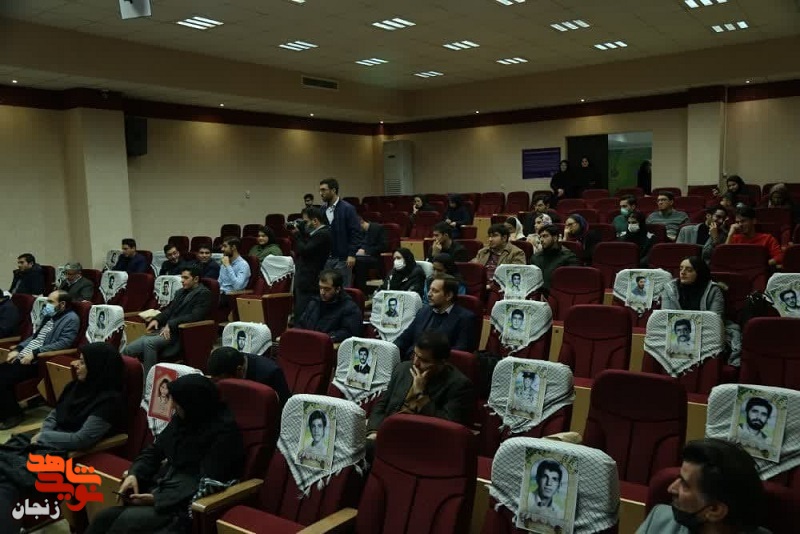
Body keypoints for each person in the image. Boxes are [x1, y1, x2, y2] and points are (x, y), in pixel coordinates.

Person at [86, 374, 244, 534]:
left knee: (114, 524)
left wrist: (158, 499)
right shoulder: (185, 419)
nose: (173, 407)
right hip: (164, 489)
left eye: (177, 403)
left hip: (184, 507)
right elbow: (155, 450)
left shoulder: (224, 434)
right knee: (104, 520)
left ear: (193, 403)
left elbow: (207, 482)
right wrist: (134, 473)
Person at [0, 343, 124, 534]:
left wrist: (45, 437)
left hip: (66, 455)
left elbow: (82, 439)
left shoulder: (110, 401)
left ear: (97, 367)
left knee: (8, 481)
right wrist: (44, 434)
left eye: (82, 362)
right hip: (45, 443)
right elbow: (54, 415)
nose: (75, 365)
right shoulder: (76, 386)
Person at [636, 438, 768, 534]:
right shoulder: (659, 521)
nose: (671, 488)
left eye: (684, 484)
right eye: (678, 478)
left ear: (715, 510)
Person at [367, 330, 475, 438]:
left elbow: (447, 425)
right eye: (415, 355)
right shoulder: (403, 369)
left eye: (424, 360)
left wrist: (421, 394)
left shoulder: (459, 385)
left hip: (422, 438)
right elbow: (382, 404)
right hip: (388, 430)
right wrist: (374, 431)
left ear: (442, 363)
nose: (415, 363)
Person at [0, 290, 79, 430]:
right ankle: (6, 410)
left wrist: (35, 353)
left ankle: (14, 415)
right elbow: (35, 337)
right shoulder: (49, 316)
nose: (47, 304)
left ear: (62, 304)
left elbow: (64, 343)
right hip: (24, 355)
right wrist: (18, 349)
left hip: (39, 360)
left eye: (51, 302)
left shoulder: (71, 319)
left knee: (3, 379)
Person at [124, 266, 212, 377]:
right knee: (128, 350)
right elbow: (169, 310)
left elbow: (195, 316)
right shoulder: (180, 292)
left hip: (181, 333)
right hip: (163, 330)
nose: (182, 280)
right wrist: (157, 319)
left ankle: (149, 379)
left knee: (149, 343)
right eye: (181, 277)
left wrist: (171, 324)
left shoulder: (204, 294)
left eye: (185, 278)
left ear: (196, 279)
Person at [394, 274, 476, 358]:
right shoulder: (424, 311)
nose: (429, 294)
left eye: (435, 291)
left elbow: (460, 352)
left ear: (448, 296)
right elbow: (404, 338)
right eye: (430, 289)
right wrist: (391, 350)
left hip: (439, 363)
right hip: (411, 359)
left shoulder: (465, 318)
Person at [207, 346, 291, 406]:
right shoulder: (232, 362)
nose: (220, 385)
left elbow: (284, 407)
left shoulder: (270, 373)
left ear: (239, 370)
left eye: (222, 381)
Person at [295, 269, 362, 343]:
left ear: (338, 289)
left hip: (329, 346)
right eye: (320, 288)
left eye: (327, 289)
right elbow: (301, 325)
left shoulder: (349, 308)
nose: (322, 292)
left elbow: (349, 333)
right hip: (308, 344)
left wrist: (326, 338)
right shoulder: (314, 303)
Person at [319, 178, 363, 288]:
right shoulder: (322, 210)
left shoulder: (348, 208)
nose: (321, 193)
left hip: (343, 258)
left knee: (343, 289)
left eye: (324, 190)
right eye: (320, 190)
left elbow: (356, 233)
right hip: (326, 258)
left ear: (333, 190)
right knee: (327, 288)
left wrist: (352, 254)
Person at [293, 207, 333, 315]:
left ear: (315, 221)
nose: (304, 224)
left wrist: (297, 235)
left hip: (310, 281)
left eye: (306, 222)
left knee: (304, 313)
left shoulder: (323, 234)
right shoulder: (315, 234)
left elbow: (305, 250)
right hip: (305, 279)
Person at [530, 224, 581, 295]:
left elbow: (572, 283)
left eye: (545, 236)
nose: (541, 240)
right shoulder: (535, 257)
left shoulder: (569, 257)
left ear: (555, 238)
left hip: (560, 295)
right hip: (537, 295)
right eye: (540, 237)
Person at [353, 216, 387, 294]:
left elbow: (383, 246)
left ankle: (362, 292)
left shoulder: (377, 228)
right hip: (359, 256)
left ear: (361, 222)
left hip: (374, 257)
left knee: (359, 262)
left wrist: (366, 251)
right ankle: (352, 288)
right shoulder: (359, 232)